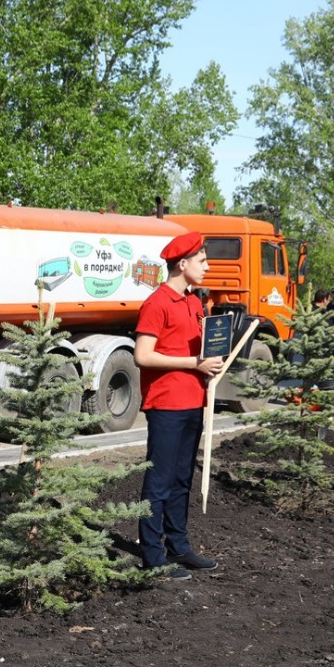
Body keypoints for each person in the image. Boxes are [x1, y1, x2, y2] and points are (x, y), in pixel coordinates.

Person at [132, 231, 224, 581]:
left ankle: (179, 546)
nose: (207, 266)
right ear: (182, 264)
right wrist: (193, 364)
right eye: (202, 261)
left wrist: (211, 361)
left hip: (192, 401)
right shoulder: (157, 303)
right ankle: (153, 557)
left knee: (183, 478)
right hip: (167, 404)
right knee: (160, 480)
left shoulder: (193, 302)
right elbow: (142, 355)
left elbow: (199, 349)